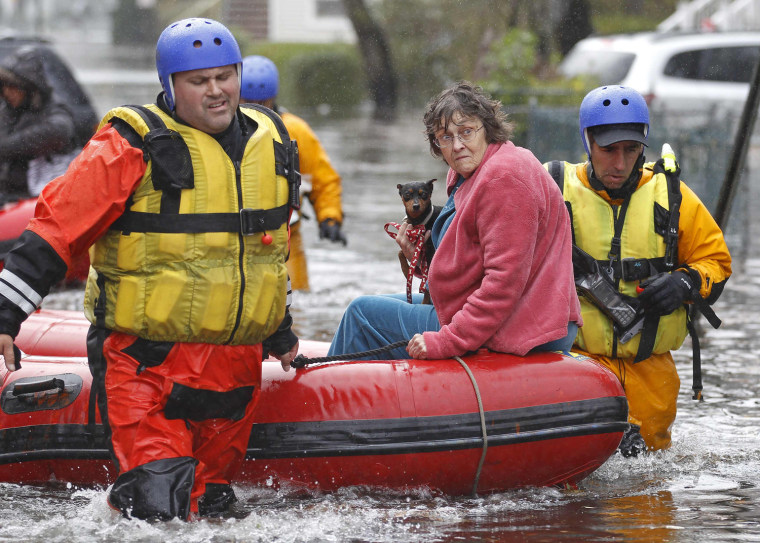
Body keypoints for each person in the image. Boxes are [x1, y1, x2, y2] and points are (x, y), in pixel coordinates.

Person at [0, 18, 299, 520]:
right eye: (199, 81)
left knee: (214, 512)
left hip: (234, 370)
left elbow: (268, 253)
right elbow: (57, 229)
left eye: (225, 76)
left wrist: (282, 332)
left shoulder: (270, 141)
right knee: (157, 515)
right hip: (147, 364)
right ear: (170, 85)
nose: (217, 91)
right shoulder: (128, 144)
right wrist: (6, 316)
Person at [328, 81, 581, 361]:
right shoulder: (472, 172)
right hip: (505, 317)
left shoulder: (504, 177)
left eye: (466, 132)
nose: (457, 145)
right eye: (445, 137)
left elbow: (503, 284)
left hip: (524, 327)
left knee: (361, 314)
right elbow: (470, 269)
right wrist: (421, 261)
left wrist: (446, 342)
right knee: (374, 305)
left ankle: (318, 400)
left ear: (488, 127)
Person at [545, 85, 732, 455]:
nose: (619, 163)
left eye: (631, 150)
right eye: (609, 149)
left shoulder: (672, 195)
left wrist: (685, 281)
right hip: (577, 366)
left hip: (651, 372)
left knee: (647, 495)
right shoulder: (552, 187)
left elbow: (717, 263)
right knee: (579, 486)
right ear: (587, 142)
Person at [240, 55, 346, 291]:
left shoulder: (296, 130)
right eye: (247, 101)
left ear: (273, 98)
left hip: (287, 237)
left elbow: (322, 178)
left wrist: (329, 217)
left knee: (297, 306)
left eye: (262, 102)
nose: (255, 108)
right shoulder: (223, 128)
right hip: (238, 236)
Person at [0, 45, 78, 199]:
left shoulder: (53, 111)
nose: (8, 93)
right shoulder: (7, 112)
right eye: (4, 87)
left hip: (33, 197)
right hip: (7, 193)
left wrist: (7, 147)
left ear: (28, 87)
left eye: (13, 87)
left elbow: (60, 131)